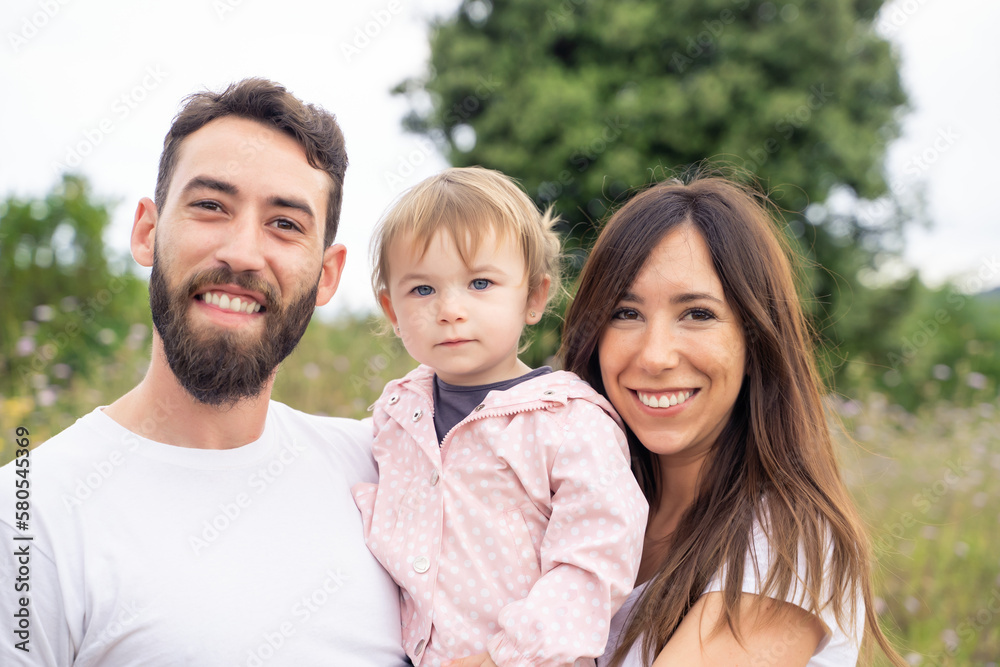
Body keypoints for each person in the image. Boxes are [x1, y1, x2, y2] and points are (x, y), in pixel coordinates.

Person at [0, 79, 407, 666]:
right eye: (212, 206)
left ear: (327, 275)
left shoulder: (385, 471)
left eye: (285, 224)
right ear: (147, 230)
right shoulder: (31, 515)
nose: (242, 252)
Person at [561, 175, 905, 666]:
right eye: (625, 312)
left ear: (756, 342)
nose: (655, 356)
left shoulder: (790, 545)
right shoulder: (569, 507)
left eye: (698, 314)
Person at [351, 167, 648, 667]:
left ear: (533, 297)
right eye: (422, 290)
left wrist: (505, 658)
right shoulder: (395, 416)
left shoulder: (566, 420)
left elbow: (596, 560)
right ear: (391, 310)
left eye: (480, 283)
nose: (450, 309)